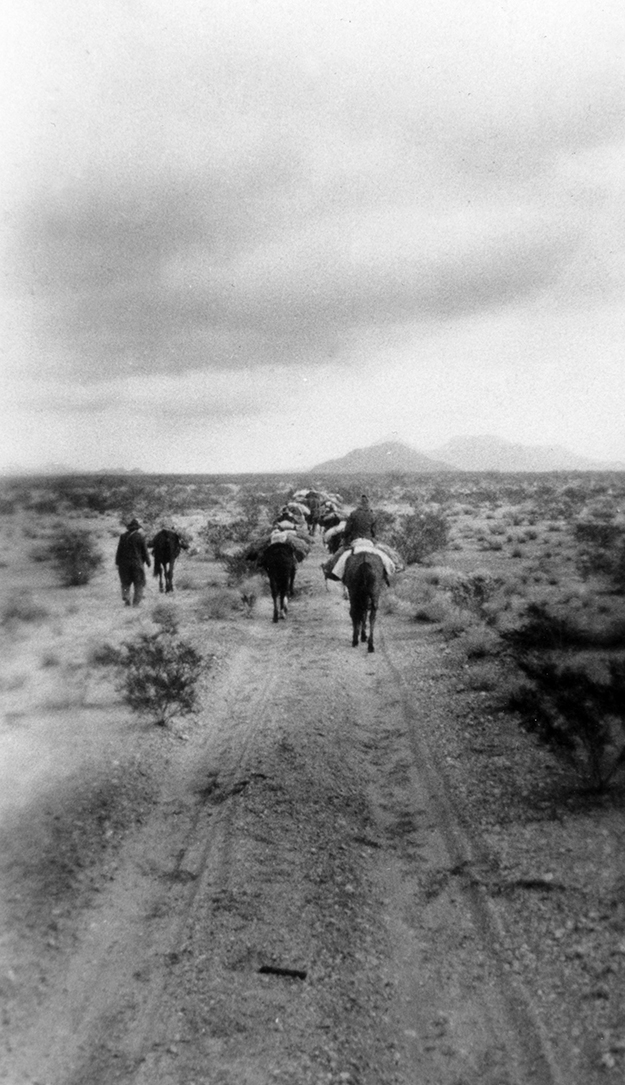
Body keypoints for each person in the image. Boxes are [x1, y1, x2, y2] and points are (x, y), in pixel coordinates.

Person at [115, 517, 151, 606]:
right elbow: (144, 551)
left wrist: (117, 562)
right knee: (138, 583)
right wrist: (148, 561)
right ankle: (136, 603)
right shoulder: (140, 537)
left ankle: (126, 596)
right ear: (137, 528)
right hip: (136, 563)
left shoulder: (123, 536)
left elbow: (119, 550)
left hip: (124, 564)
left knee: (125, 582)